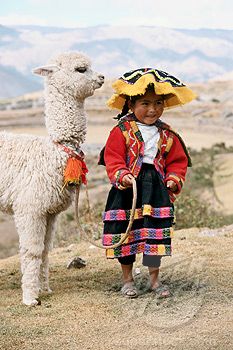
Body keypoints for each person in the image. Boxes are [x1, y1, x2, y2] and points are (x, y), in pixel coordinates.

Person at [100, 68, 196, 298]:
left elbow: (177, 162)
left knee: (155, 234)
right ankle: (127, 280)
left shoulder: (168, 134)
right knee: (126, 233)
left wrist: (173, 179)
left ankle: (154, 281)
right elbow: (112, 158)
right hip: (128, 189)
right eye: (145, 103)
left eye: (158, 103)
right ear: (131, 104)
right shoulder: (121, 131)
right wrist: (122, 175)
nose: (153, 109)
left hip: (156, 189)